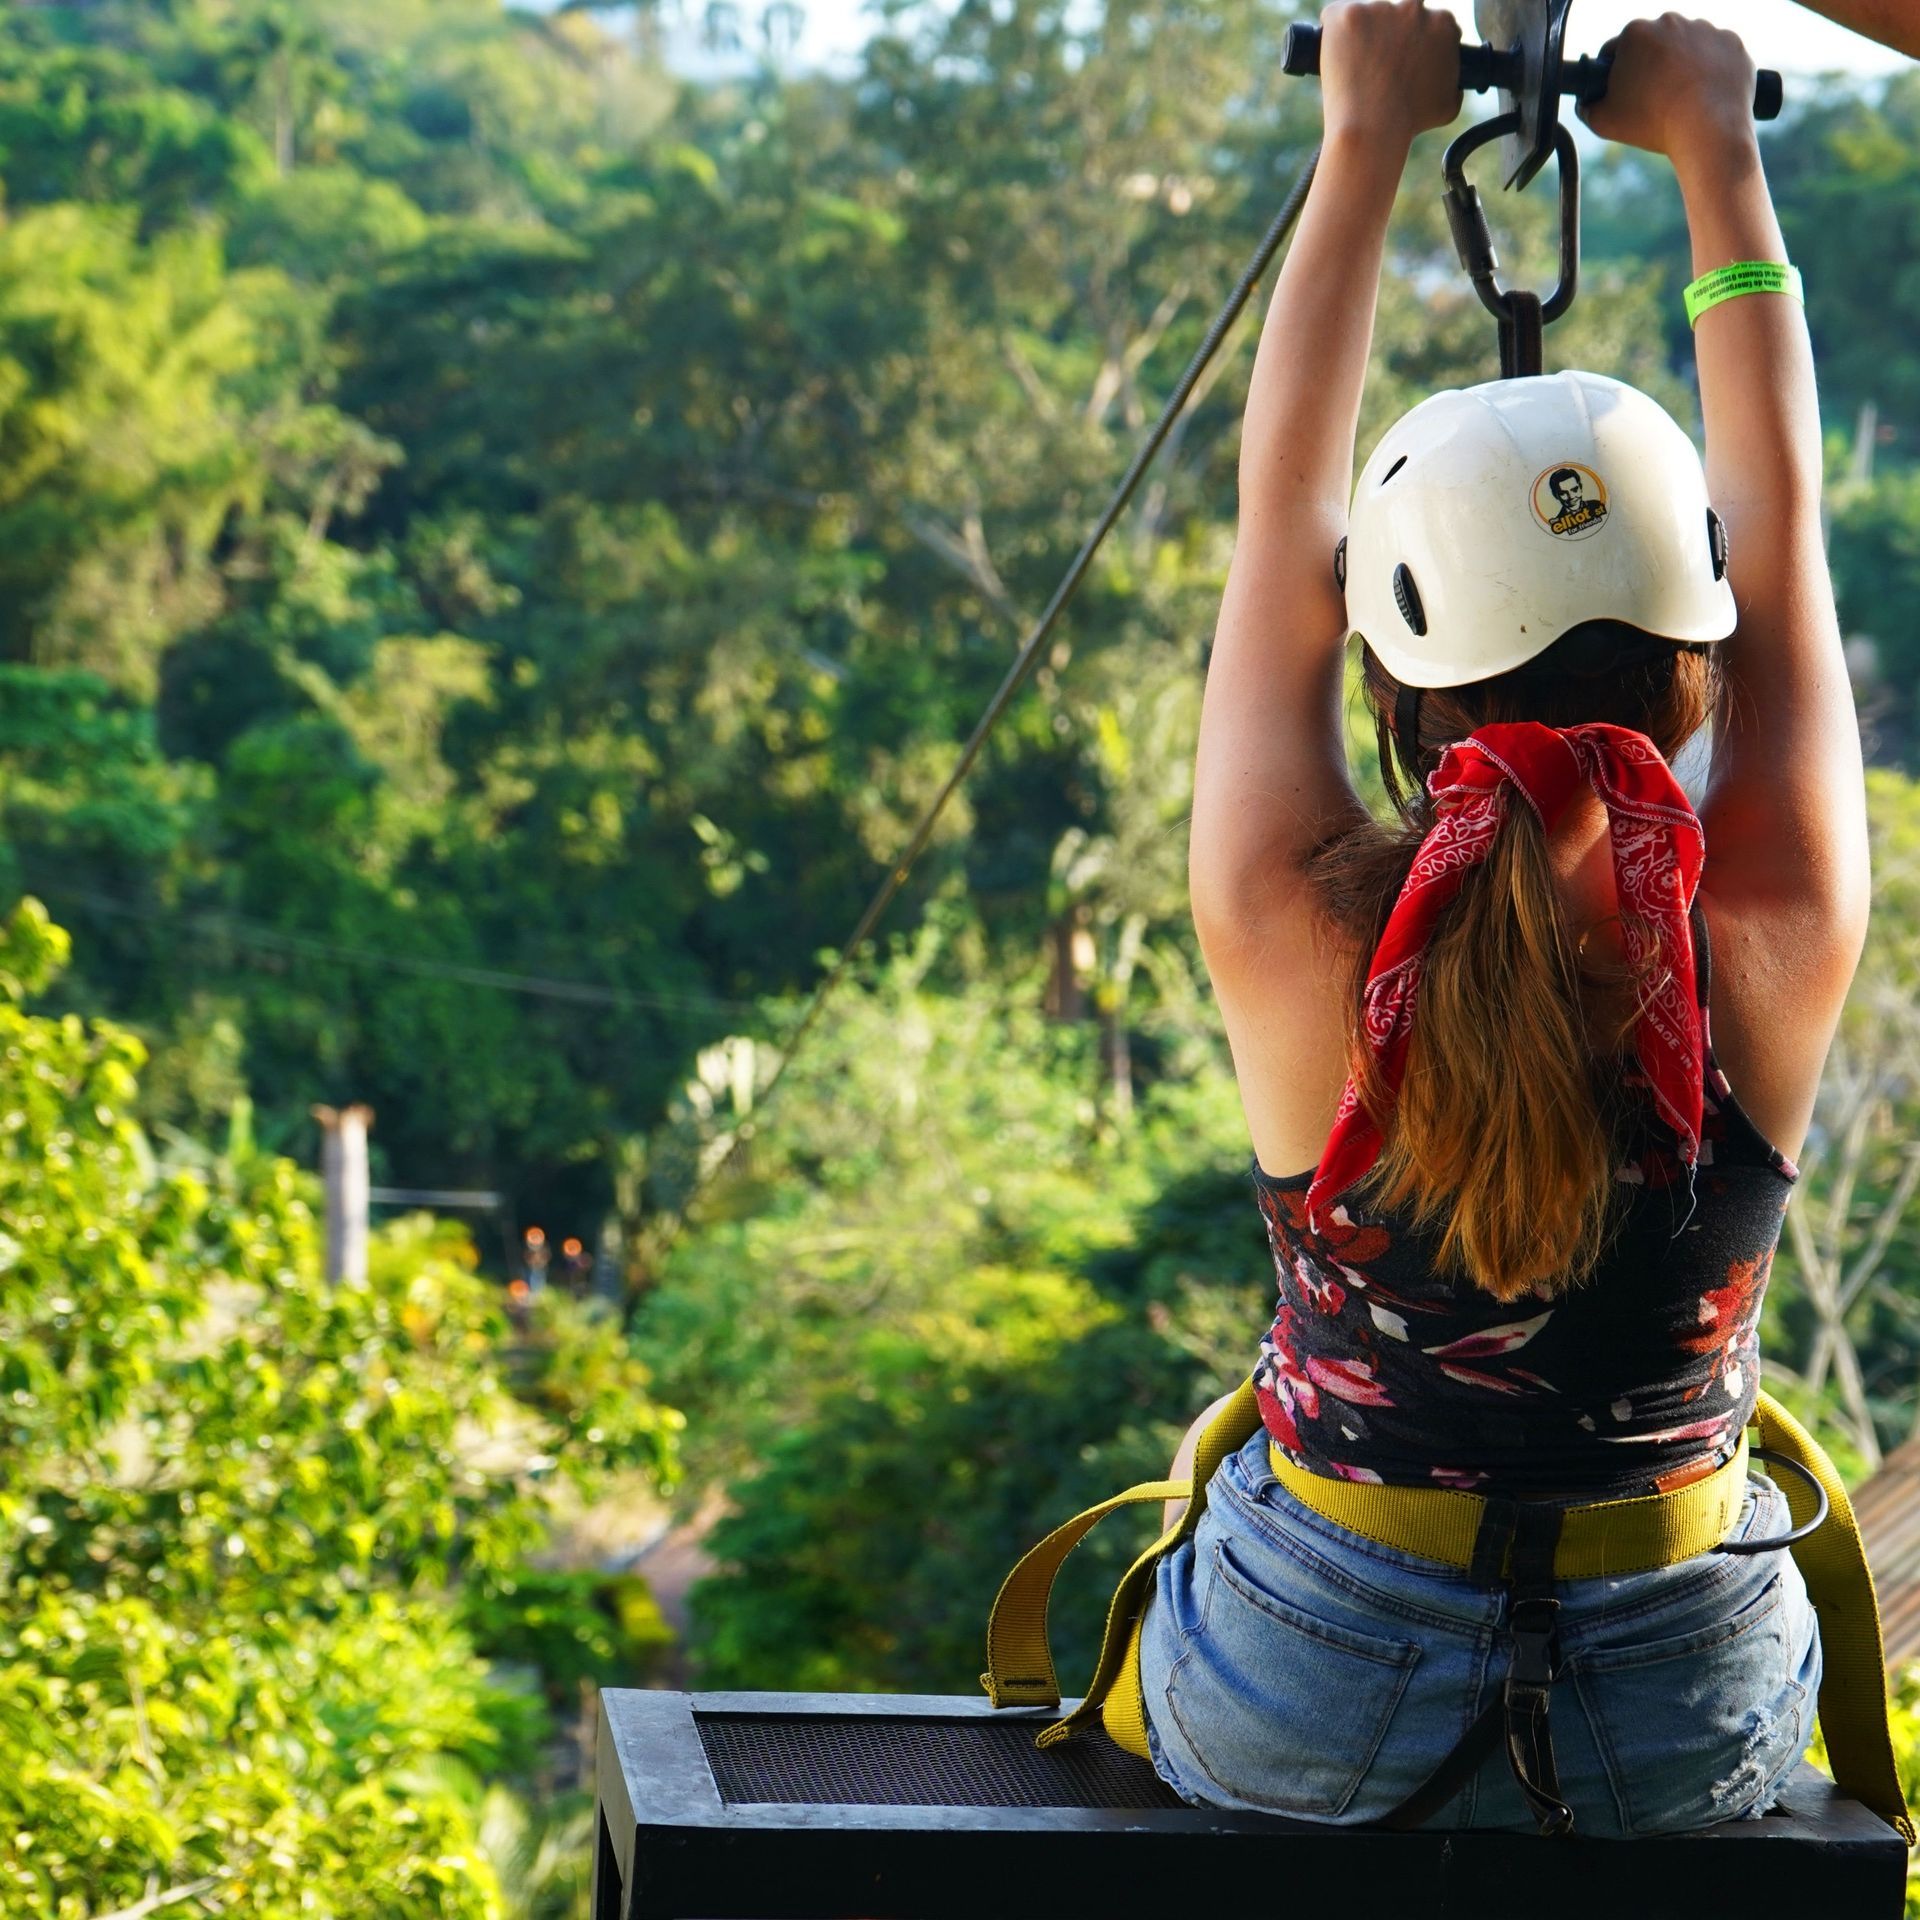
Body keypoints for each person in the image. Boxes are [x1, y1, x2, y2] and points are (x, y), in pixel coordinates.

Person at [1145, 3, 1866, 1833]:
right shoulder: (1769, 922)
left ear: (1391, 673)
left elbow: (1275, 519)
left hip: (1308, 1678)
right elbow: (1784, 531)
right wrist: (1721, 153)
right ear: (1702, 655)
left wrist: (1365, 146)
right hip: (1682, 1710)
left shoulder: (1292, 920)